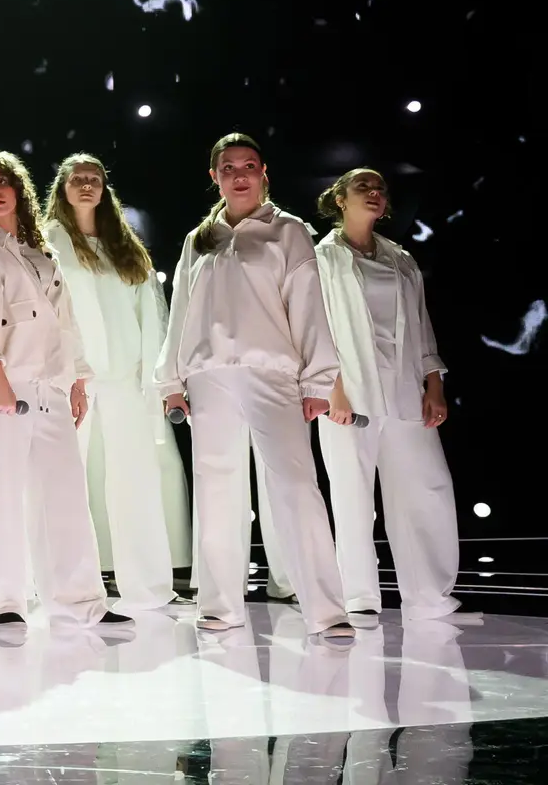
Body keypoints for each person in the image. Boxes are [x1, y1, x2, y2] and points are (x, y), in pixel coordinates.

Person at [158, 133, 354, 640]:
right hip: (208, 377)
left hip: (272, 374)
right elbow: (181, 312)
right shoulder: (199, 239)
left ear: (263, 172)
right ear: (215, 177)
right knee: (216, 488)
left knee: (296, 486)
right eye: (228, 168)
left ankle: (326, 610)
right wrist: (171, 380)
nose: (239, 175)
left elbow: (309, 307)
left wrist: (318, 379)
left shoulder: (288, 231)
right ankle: (220, 606)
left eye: (248, 166)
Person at [0, 150, 129, 634]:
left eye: (1, 182)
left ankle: (79, 601)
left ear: (18, 189)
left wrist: (77, 378)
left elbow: (64, 322)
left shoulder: (39, 251)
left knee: (65, 495)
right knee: (2, 495)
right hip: (2, 389)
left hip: (50, 385)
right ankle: (3, 601)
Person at [314, 168, 459, 621]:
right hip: (349, 392)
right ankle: (359, 597)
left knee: (426, 488)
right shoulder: (321, 259)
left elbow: (421, 323)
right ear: (340, 199)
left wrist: (434, 383)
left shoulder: (401, 259)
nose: (374, 193)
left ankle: (429, 597)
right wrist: (331, 389)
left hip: (404, 388)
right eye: (363, 187)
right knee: (352, 494)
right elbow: (313, 327)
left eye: (380, 188)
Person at [41, 155, 178, 612]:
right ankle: (63, 584)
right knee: (65, 482)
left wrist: (152, 376)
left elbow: (151, 313)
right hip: (69, 378)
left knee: (136, 482)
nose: (86, 185)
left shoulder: (125, 247)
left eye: (94, 179)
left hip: (124, 377)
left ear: (104, 189)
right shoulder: (47, 242)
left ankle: (148, 584)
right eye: (77, 179)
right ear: (62, 187)